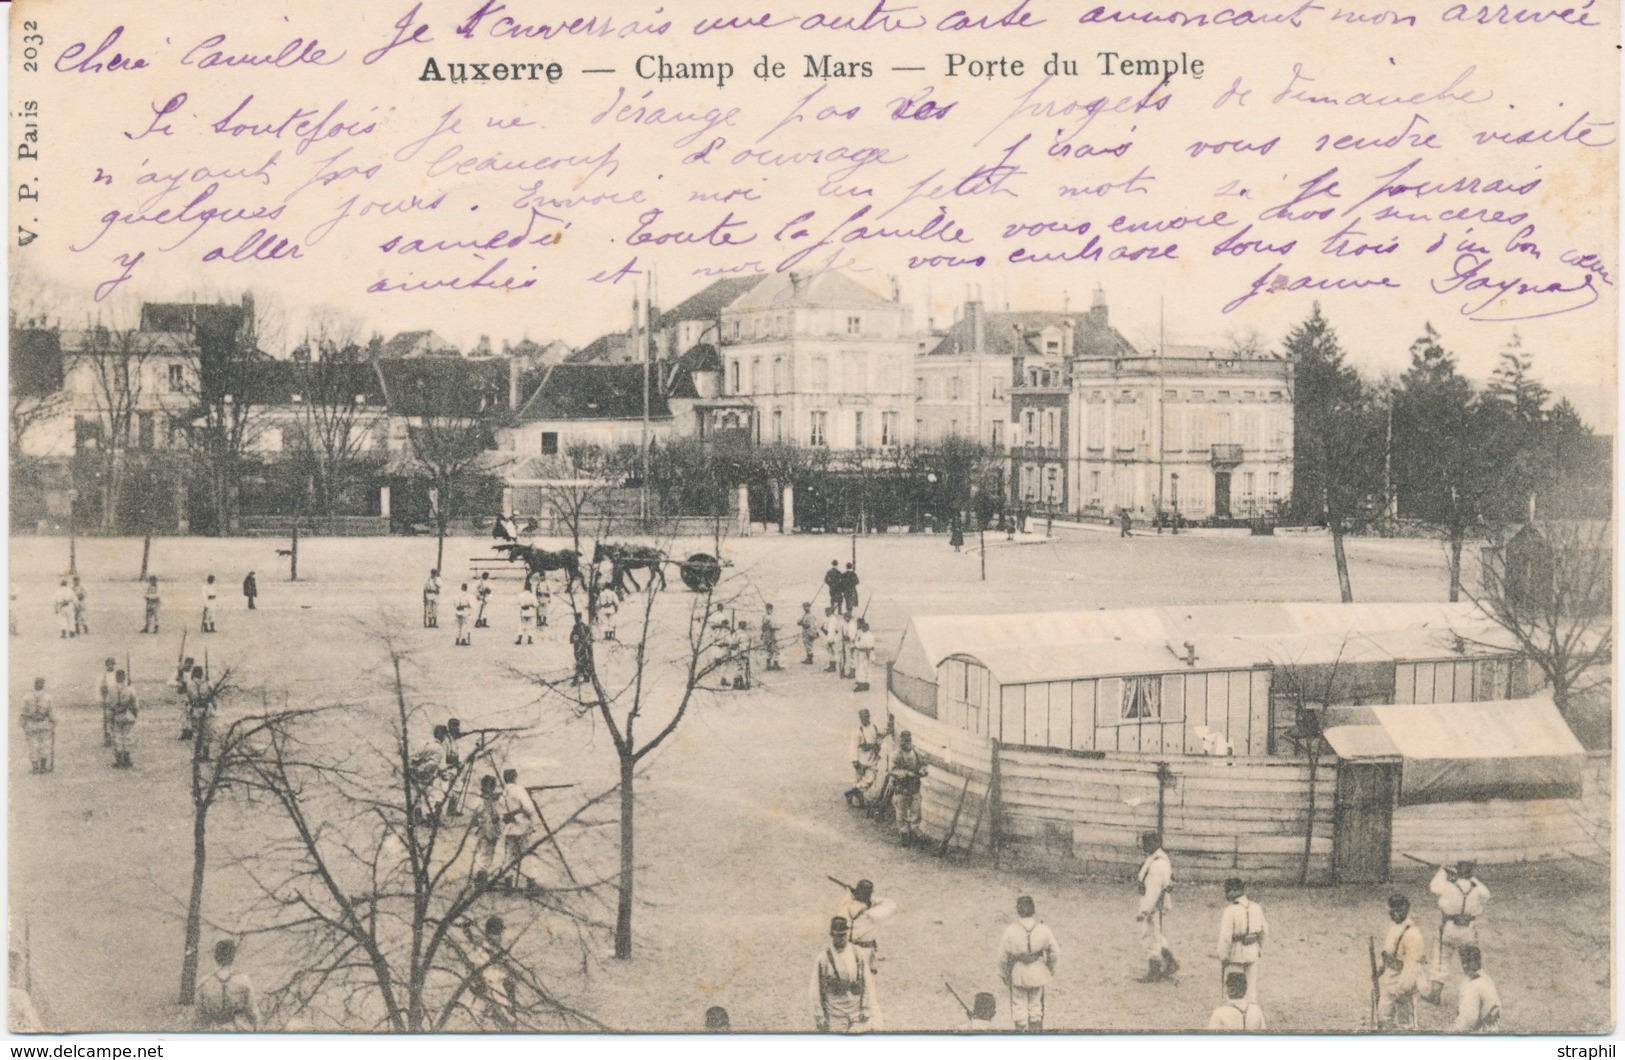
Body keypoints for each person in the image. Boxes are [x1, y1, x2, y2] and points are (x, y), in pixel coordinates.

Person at [1426, 860, 1489, 1006]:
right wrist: (1471, 879)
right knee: (1471, 962)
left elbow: (1433, 887)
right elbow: (1487, 894)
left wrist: (1442, 872)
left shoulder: (1448, 885)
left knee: (1441, 960)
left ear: (1457, 869)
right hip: (1468, 930)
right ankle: (1478, 995)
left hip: (1448, 928)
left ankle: (1435, 994)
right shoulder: (1477, 888)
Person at [997, 896, 1059, 1032]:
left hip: (1018, 972)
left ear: (1018, 910)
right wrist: (1049, 970)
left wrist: (1004, 974)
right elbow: (1054, 953)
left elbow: (1002, 956)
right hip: (1038, 971)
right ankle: (1035, 1033)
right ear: (1033, 910)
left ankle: (1021, 1034)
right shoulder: (1043, 929)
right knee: (1036, 1006)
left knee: (1018, 1006)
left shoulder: (1011, 930)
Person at [812, 917, 872, 1033]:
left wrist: (866, 1008)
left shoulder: (857, 953)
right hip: (835, 1015)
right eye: (838, 935)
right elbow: (815, 989)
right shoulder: (823, 958)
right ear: (832, 935)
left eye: (844, 935)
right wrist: (819, 1016)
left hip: (857, 1014)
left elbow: (867, 982)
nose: (842, 939)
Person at [1378, 895, 1426, 1031]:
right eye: (1392, 911)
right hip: (1390, 977)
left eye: (1399, 910)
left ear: (1406, 909)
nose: (1395, 914)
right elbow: (1388, 950)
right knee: (1384, 1016)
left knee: (1405, 1022)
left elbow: (1412, 965)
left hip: (1404, 980)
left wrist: (1403, 988)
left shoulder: (1412, 934)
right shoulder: (1394, 927)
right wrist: (1381, 967)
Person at [1216, 877, 1267, 1003]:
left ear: (1234, 891)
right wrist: (1258, 947)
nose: (1226, 895)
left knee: (1234, 989)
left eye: (1227, 891)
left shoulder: (1230, 910)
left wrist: (1223, 956)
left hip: (1236, 953)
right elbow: (1264, 931)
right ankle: (1251, 1013)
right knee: (1251, 989)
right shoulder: (1256, 907)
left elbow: (1226, 937)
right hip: (1252, 951)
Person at [1136, 831, 1178, 982]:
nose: (1144, 846)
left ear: (1156, 843)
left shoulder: (1157, 864)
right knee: (1157, 934)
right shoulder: (1157, 858)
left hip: (1154, 905)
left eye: (1147, 843)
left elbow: (1153, 890)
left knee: (1150, 935)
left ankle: (1154, 971)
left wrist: (1144, 911)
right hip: (1157, 903)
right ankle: (1171, 962)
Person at [835, 879, 897, 980]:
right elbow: (891, 904)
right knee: (864, 982)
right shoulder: (871, 913)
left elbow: (845, 902)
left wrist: (851, 894)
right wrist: (871, 900)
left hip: (848, 948)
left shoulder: (845, 906)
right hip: (865, 951)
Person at [196, 940, 260, 1031]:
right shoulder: (243, 981)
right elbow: (253, 1012)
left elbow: (200, 1016)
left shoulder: (204, 983)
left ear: (216, 957)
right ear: (232, 957)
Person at [467, 916, 517, 1030]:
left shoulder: (489, 944)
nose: (500, 936)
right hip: (490, 983)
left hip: (495, 983)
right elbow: (480, 964)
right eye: (498, 932)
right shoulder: (483, 945)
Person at [501, 768, 538, 890]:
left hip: (509, 828)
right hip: (521, 826)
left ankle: (508, 884)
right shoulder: (518, 790)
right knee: (527, 854)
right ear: (514, 777)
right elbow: (529, 808)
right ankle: (531, 883)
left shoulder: (503, 793)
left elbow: (501, 812)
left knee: (509, 856)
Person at [1453, 946, 1502, 1033]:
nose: (1464, 965)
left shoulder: (1473, 984)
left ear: (1476, 962)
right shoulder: (1486, 979)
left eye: (1468, 961)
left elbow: (1469, 1018)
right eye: (1464, 961)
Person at [890, 731, 926, 845]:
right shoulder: (896, 754)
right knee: (901, 812)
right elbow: (892, 770)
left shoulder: (916, 753)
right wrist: (906, 773)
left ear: (910, 740)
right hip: (901, 786)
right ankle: (904, 834)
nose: (905, 743)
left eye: (908, 740)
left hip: (914, 786)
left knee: (916, 810)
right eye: (903, 741)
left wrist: (923, 770)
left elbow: (924, 764)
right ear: (900, 741)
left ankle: (915, 832)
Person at [469, 775, 504, 886]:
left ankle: (481, 876)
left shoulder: (486, 799)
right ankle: (481, 878)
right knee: (486, 853)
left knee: (486, 852)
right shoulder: (482, 800)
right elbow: (476, 816)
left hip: (487, 829)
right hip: (486, 829)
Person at [846, 709, 880, 808]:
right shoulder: (857, 731)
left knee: (870, 779)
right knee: (858, 780)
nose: (864, 719)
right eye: (862, 717)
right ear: (860, 718)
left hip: (871, 760)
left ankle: (851, 793)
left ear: (869, 716)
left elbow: (881, 735)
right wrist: (855, 761)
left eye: (866, 716)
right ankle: (859, 802)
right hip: (861, 761)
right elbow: (853, 747)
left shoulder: (874, 727)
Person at [20, 677, 55, 774]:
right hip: (44, 723)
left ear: (34, 685)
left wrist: (23, 723)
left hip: (31, 724)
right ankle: (43, 767)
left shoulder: (27, 697)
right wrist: (53, 722)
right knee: (45, 744)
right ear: (43, 685)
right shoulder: (48, 697)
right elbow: (51, 712)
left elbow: (23, 712)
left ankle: (35, 768)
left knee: (33, 745)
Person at [109, 670, 138, 769]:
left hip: (117, 716)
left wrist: (111, 717)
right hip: (129, 715)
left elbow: (111, 705)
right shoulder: (130, 689)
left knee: (117, 738)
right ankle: (126, 759)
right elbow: (135, 705)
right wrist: (135, 715)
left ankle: (119, 760)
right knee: (127, 737)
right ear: (124, 677)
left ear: (116, 677)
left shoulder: (112, 689)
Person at [97, 656, 119, 748]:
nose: (110, 666)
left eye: (112, 664)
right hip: (107, 699)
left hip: (116, 699)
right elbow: (100, 688)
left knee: (116, 718)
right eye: (109, 664)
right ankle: (108, 739)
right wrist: (102, 697)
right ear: (107, 665)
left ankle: (116, 738)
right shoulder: (104, 675)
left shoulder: (117, 675)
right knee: (107, 719)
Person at [852, 619, 876, 693]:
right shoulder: (861, 633)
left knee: (863, 668)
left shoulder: (869, 635)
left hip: (865, 653)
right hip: (861, 653)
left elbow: (864, 644)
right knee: (861, 667)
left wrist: (856, 644)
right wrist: (855, 642)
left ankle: (863, 683)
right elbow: (857, 641)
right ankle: (863, 682)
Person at [570, 613, 593, 686]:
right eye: (576, 619)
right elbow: (572, 639)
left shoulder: (582, 627)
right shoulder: (576, 628)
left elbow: (589, 637)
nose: (577, 620)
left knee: (581, 663)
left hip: (581, 648)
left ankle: (578, 679)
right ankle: (585, 676)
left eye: (578, 618)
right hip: (579, 648)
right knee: (582, 662)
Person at [761, 603, 781, 671]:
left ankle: (768, 666)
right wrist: (778, 628)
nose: (770, 610)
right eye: (770, 609)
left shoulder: (764, 617)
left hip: (766, 637)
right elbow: (772, 627)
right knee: (776, 651)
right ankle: (776, 665)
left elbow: (763, 628)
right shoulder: (770, 617)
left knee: (769, 651)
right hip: (771, 636)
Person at [821, 607, 842, 674]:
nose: (825, 613)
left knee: (833, 652)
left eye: (826, 612)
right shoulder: (829, 618)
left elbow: (832, 631)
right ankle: (832, 666)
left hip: (832, 637)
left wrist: (830, 640)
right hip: (830, 636)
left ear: (829, 612)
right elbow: (825, 629)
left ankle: (833, 667)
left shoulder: (833, 619)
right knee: (831, 652)